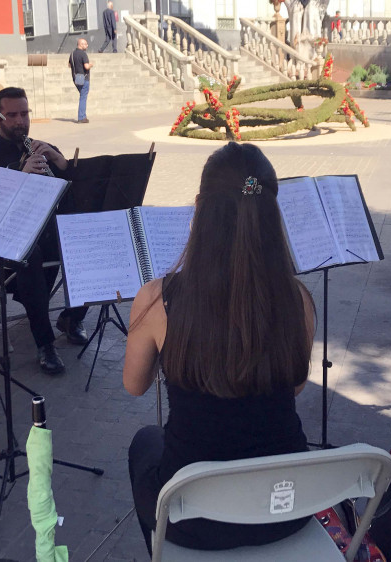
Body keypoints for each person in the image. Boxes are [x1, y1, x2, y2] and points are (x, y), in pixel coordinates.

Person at [124, 142, 316, 553]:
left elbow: (134, 385)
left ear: (199, 207)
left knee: (146, 441)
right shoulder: (296, 298)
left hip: (195, 520)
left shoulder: (159, 298)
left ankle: (164, 552)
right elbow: (295, 386)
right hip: (286, 507)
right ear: (271, 210)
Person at [0, 87, 90, 375]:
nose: (20, 121)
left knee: (88, 245)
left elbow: (73, 194)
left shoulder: (41, 146)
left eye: (25, 113)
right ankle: (45, 344)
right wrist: (18, 174)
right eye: (12, 115)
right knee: (30, 255)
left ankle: (71, 318)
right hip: (3, 233)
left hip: (43, 227)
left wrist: (61, 163)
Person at [70, 37, 92, 123]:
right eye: (86, 44)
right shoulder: (83, 54)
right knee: (83, 97)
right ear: (81, 44)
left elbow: (69, 64)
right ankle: (81, 117)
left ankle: (83, 116)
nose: (87, 45)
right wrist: (91, 65)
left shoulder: (72, 54)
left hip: (76, 77)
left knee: (82, 95)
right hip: (83, 77)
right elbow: (86, 66)